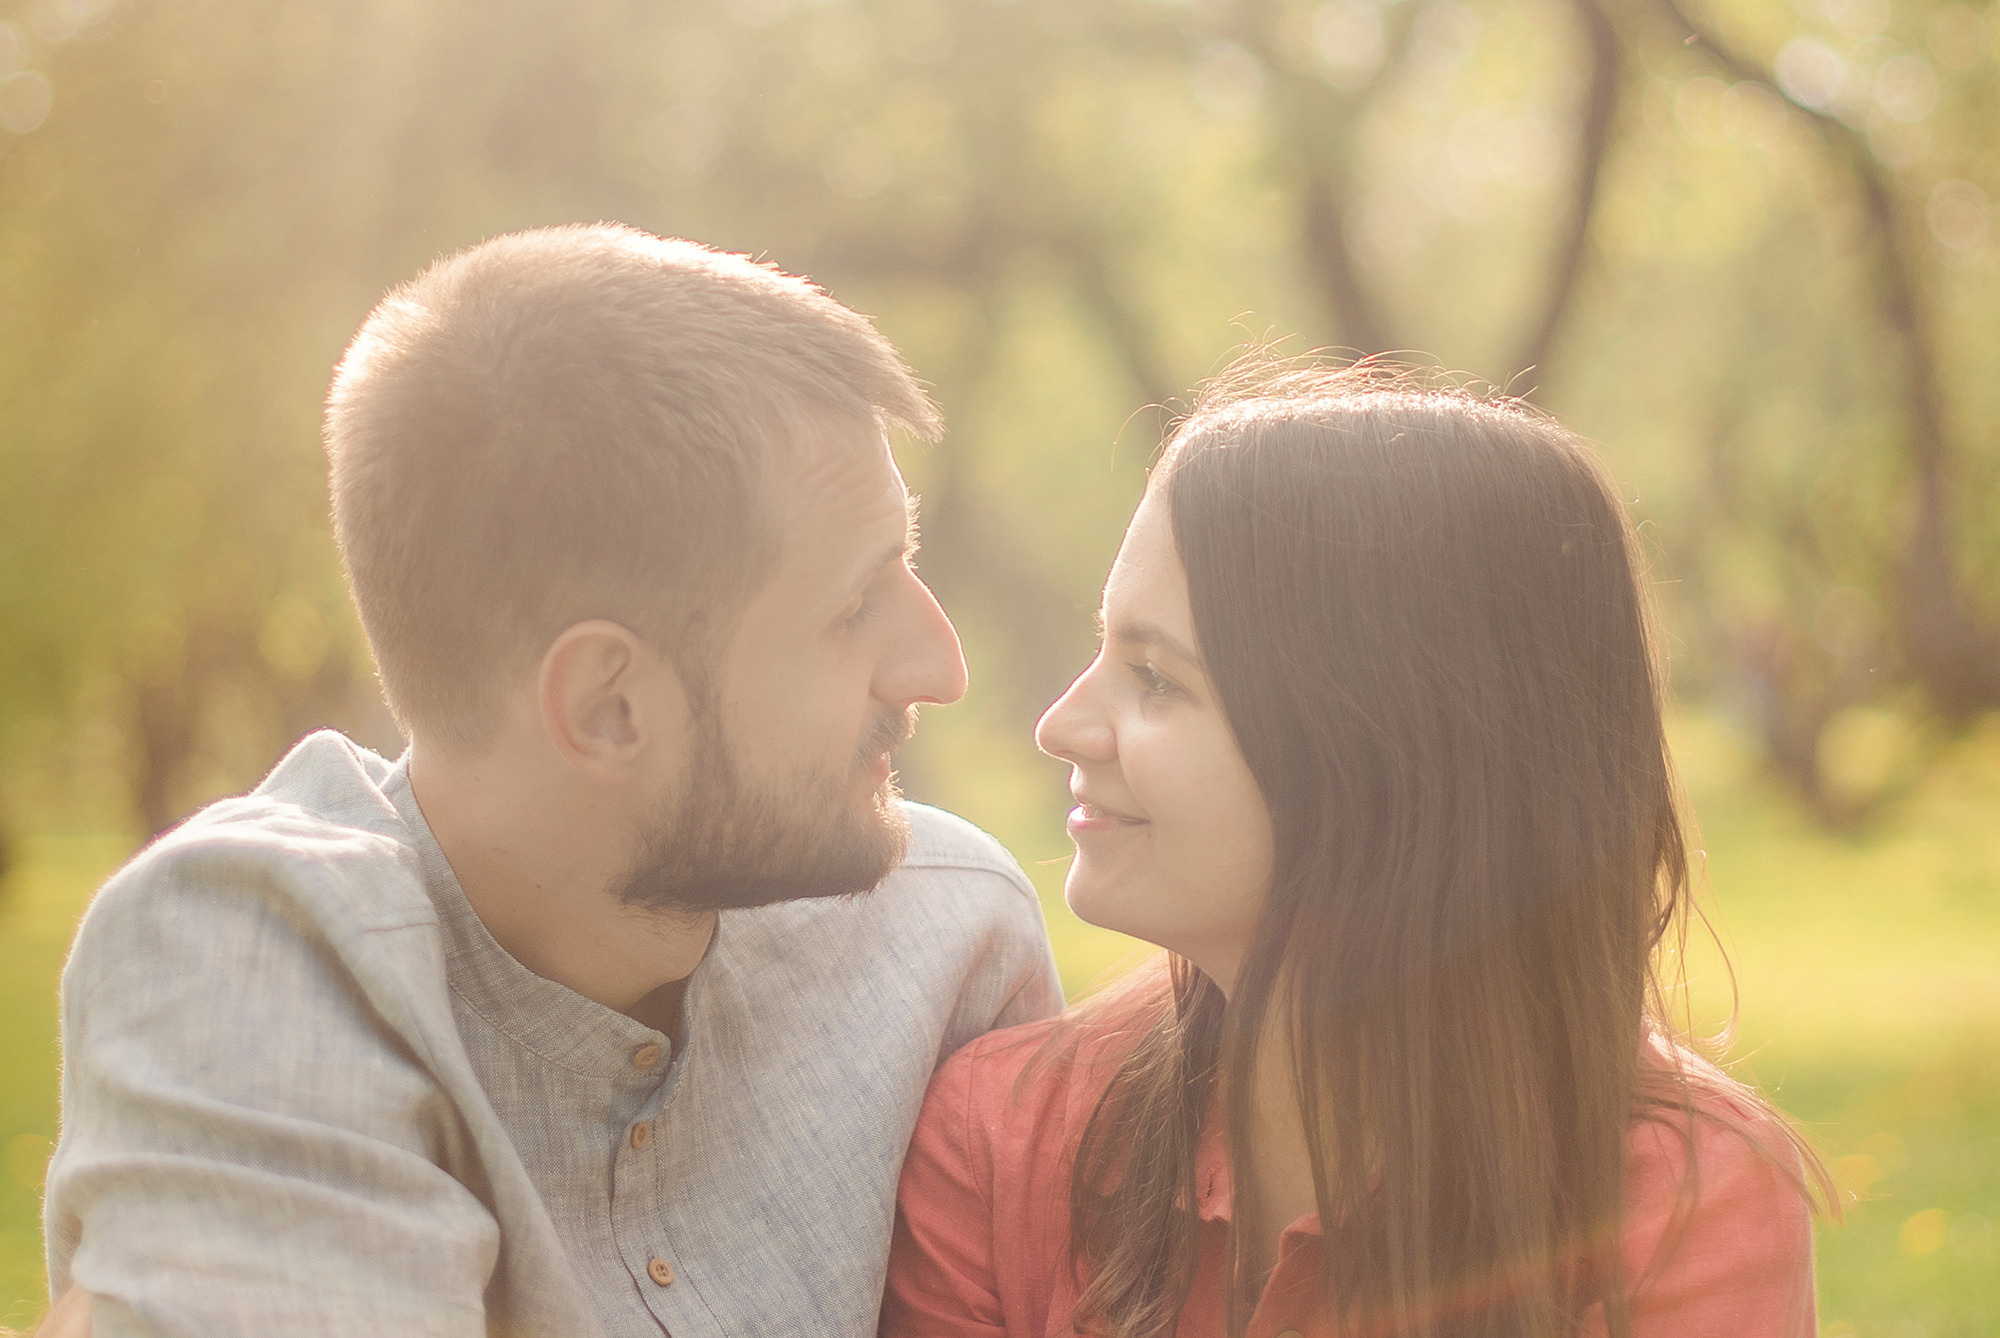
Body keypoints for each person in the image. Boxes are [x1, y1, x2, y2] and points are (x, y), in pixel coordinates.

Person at [40, 224, 1062, 1337]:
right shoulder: (251, 946)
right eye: (854, 605)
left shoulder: (953, 939)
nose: (939, 666)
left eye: (907, 563)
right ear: (605, 706)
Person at [882, 358, 1827, 1338]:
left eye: (1155, 679)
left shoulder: (1687, 1202)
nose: (1061, 726)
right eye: (1102, 650)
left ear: (1382, 751)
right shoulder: (997, 1142)